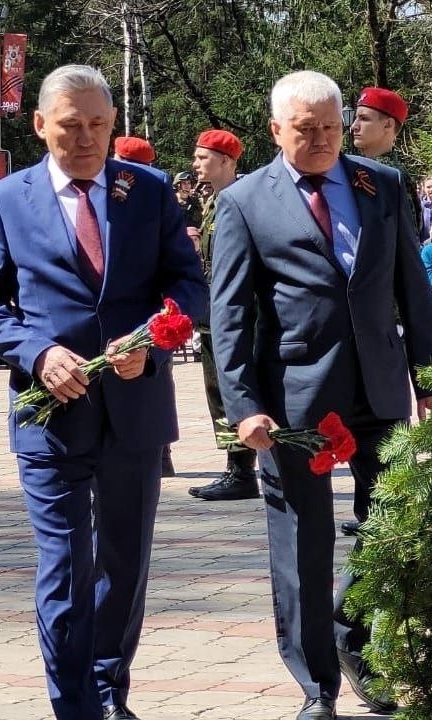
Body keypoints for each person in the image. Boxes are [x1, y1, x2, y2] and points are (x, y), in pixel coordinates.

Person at [0, 64, 207, 720]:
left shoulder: (149, 192)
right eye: (72, 125)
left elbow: (191, 288)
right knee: (67, 570)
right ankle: (74, 707)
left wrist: (152, 339)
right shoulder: (6, 201)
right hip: (51, 418)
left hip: (135, 412)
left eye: (100, 124)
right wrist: (38, 354)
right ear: (40, 126)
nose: (87, 138)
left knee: (123, 570)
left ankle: (107, 692)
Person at [209, 70, 432, 719]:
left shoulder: (383, 185)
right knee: (303, 547)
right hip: (294, 403)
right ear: (276, 129)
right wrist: (243, 407)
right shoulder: (246, 202)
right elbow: (229, 316)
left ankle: (350, 630)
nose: (320, 141)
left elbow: (412, 287)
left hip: (379, 388)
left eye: (331, 129)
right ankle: (319, 687)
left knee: (391, 528)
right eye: (306, 130)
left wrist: (431, 380)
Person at [183, 128, 258, 502]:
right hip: (214, 311)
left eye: (203, 157)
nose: (196, 164)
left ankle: (244, 470)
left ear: (226, 160)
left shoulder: (243, 199)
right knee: (217, 390)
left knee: (233, 389)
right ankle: (237, 467)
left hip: (236, 314)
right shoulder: (212, 201)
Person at [349, 86, 421, 236]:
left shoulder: (392, 176)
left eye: (364, 118)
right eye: (356, 118)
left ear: (387, 124)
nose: (354, 126)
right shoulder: (359, 169)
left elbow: (407, 239)